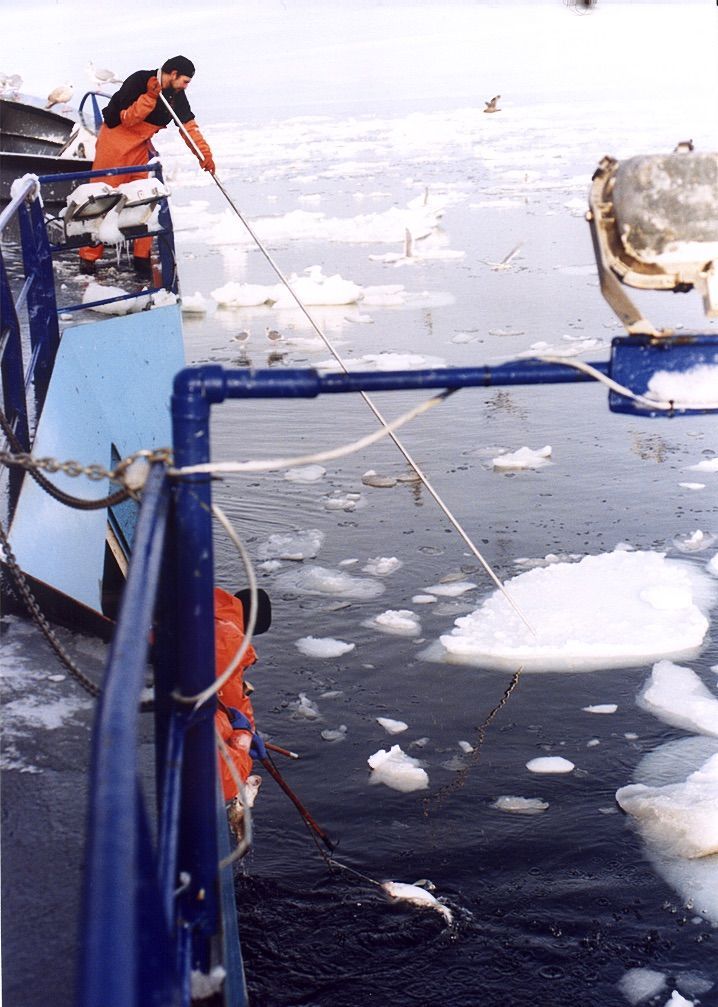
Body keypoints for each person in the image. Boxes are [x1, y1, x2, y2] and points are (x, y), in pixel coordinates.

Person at [78, 55, 215, 278]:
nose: (186, 86)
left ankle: (142, 259)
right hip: (114, 144)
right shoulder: (138, 81)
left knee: (143, 200)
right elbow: (127, 119)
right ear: (173, 74)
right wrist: (150, 96)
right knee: (103, 199)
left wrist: (204, 154)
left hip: (139, 147)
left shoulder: (176, 96)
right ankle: (88, 260)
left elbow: (188, 126)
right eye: (185, 81)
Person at [213, 586, 272, 834]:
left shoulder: (214, 612)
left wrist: (249, 727)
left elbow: (231, 694)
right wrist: (243, 740)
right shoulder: (228, 640)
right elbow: (224, 783)